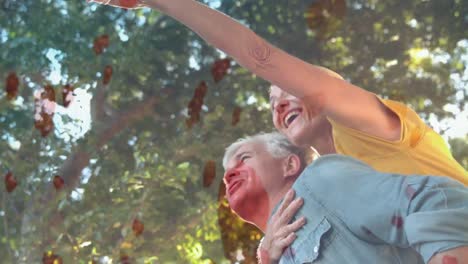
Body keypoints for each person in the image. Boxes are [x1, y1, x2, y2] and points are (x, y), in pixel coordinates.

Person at [89, 0, 468, 259]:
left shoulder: (374, 123)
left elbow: (260, 56)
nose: (279, 103)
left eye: (287, 90)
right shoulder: (325, 197)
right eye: (271, 103)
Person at [223, 132, 468, 264]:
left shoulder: (320, 181)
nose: (228, 174)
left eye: (243, 158)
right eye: (224, 173)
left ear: (289, 164)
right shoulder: (271, 256)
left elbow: (434, 199)